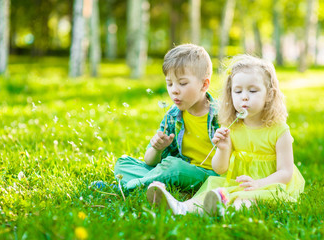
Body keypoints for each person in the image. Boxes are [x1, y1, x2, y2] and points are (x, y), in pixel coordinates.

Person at [146, 54, 305, 215]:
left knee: (246, 199)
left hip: (269, 182)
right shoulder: (233, 126)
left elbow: (285, 172)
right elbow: (220, 168)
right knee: (211, 190)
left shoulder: (279, 130)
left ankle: (227, 213)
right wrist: (222, 149)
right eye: (237, 91)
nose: (244, 96)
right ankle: (181, 207)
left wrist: (259, 183)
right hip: (238, 181)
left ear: (269, 94)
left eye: (252, 90)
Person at [93, 44, 220, 193]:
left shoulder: (221, 116)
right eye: (169, 83)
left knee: (174, 167)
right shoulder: (173, 116)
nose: (174, 90)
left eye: (182, 83)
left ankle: (126, 188)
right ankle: (160, 186)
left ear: (204, 85)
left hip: (209, 177)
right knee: (123, 164)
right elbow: (150, 160)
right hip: (174, 171)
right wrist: (157, 149)